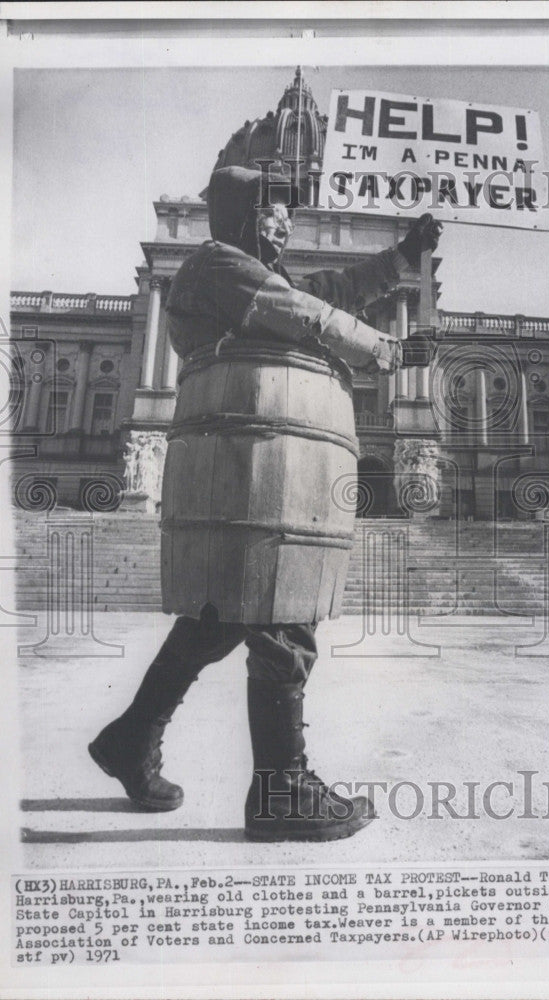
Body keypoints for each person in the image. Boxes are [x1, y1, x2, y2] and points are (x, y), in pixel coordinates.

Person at [89, 166, 442, 842]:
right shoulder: (215, 265)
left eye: (285, 212)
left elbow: (328, 291)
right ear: (243, 215)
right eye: (274, 211)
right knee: (282, 605)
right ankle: (282, 791)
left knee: (220, 611)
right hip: (252, 442)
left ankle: (131, 738)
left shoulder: (248, 275)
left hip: (256, 438)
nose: (285, 223)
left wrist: (402, 258)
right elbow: (302, 312)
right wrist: (383, 349)